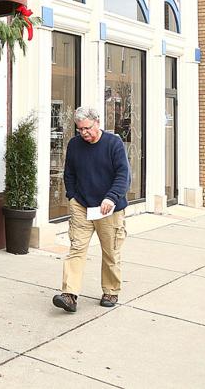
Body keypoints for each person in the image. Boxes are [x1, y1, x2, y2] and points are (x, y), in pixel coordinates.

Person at [52, 106, 130, 313]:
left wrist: (111, 197)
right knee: (76, 248)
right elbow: (69, 173)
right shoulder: (75, 145)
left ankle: (111, 290)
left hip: (108, 208)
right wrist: (72, 197)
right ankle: (69, 294)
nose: (84, 133)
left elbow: (123, 175)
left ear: (97, 123)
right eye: (80, 129)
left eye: (87, 128)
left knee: (111, 252)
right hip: (82, 205)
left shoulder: (113, 143)